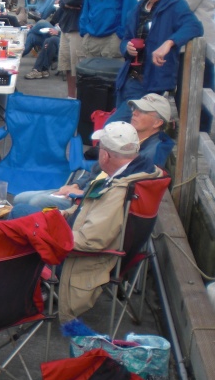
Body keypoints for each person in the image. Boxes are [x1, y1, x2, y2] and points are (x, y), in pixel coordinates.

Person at [57, 121, 163, 322]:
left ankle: (29, 301)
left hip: (85, 260)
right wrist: (64, 215)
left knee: (20, 230)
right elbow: (89, 209)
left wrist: (47, 235)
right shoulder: (140, 174)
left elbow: (90, 240)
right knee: (28, 218)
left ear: (105, 156)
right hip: (99, 247)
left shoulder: (118, 191)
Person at [13, 93, 173, 211]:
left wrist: (81, 192)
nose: (135, 112)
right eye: (135, 108)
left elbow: (122, 188)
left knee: (34, 203)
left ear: (157, 123)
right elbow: (99, 167)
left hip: (95, 201)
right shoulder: (130, 136)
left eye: (143, 111)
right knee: (20, 198)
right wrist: (76, 184)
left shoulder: (153, 151)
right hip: (87, 188)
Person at [109, 0, 203, 124]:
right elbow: (125, 39)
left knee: (114, 126)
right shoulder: (139, 7)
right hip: (127, 79)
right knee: (124, 128)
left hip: (151, 82)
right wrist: (127, 47)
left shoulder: (174, 3)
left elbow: (194, 26)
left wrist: (169, 43)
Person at [173, 0, 215, 131]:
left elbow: (184, 6)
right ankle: (186, 128)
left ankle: (202, 130)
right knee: (183, 87)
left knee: (202, 86)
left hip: (200, 40)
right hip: (186, 42)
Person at [57, 0, 95, 97]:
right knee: (67, 66)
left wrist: (68, 1)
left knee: (77, 67)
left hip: (78, 28)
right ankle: (70, 98)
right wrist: (68, 2)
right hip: (67, 26)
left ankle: (79, 99)